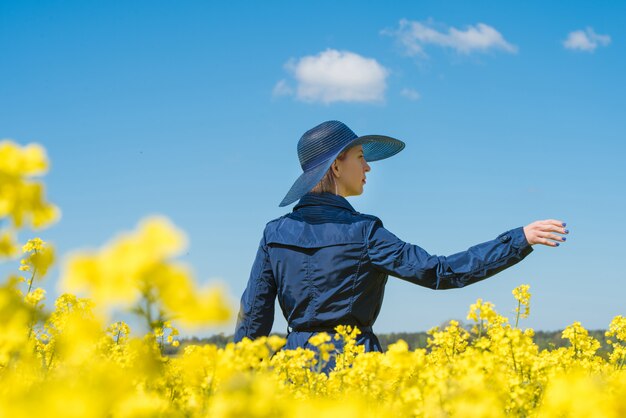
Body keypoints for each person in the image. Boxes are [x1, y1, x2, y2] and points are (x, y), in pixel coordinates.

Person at [233, 120, 569, 373]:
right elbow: (440, 272)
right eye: (361, 158)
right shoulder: (365, 232)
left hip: (294, 371)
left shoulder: (274, 233)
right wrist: (518, 240)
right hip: (357, 369)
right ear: (337, 165)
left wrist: (241, 386)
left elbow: (253, 320)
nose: (367, 168)